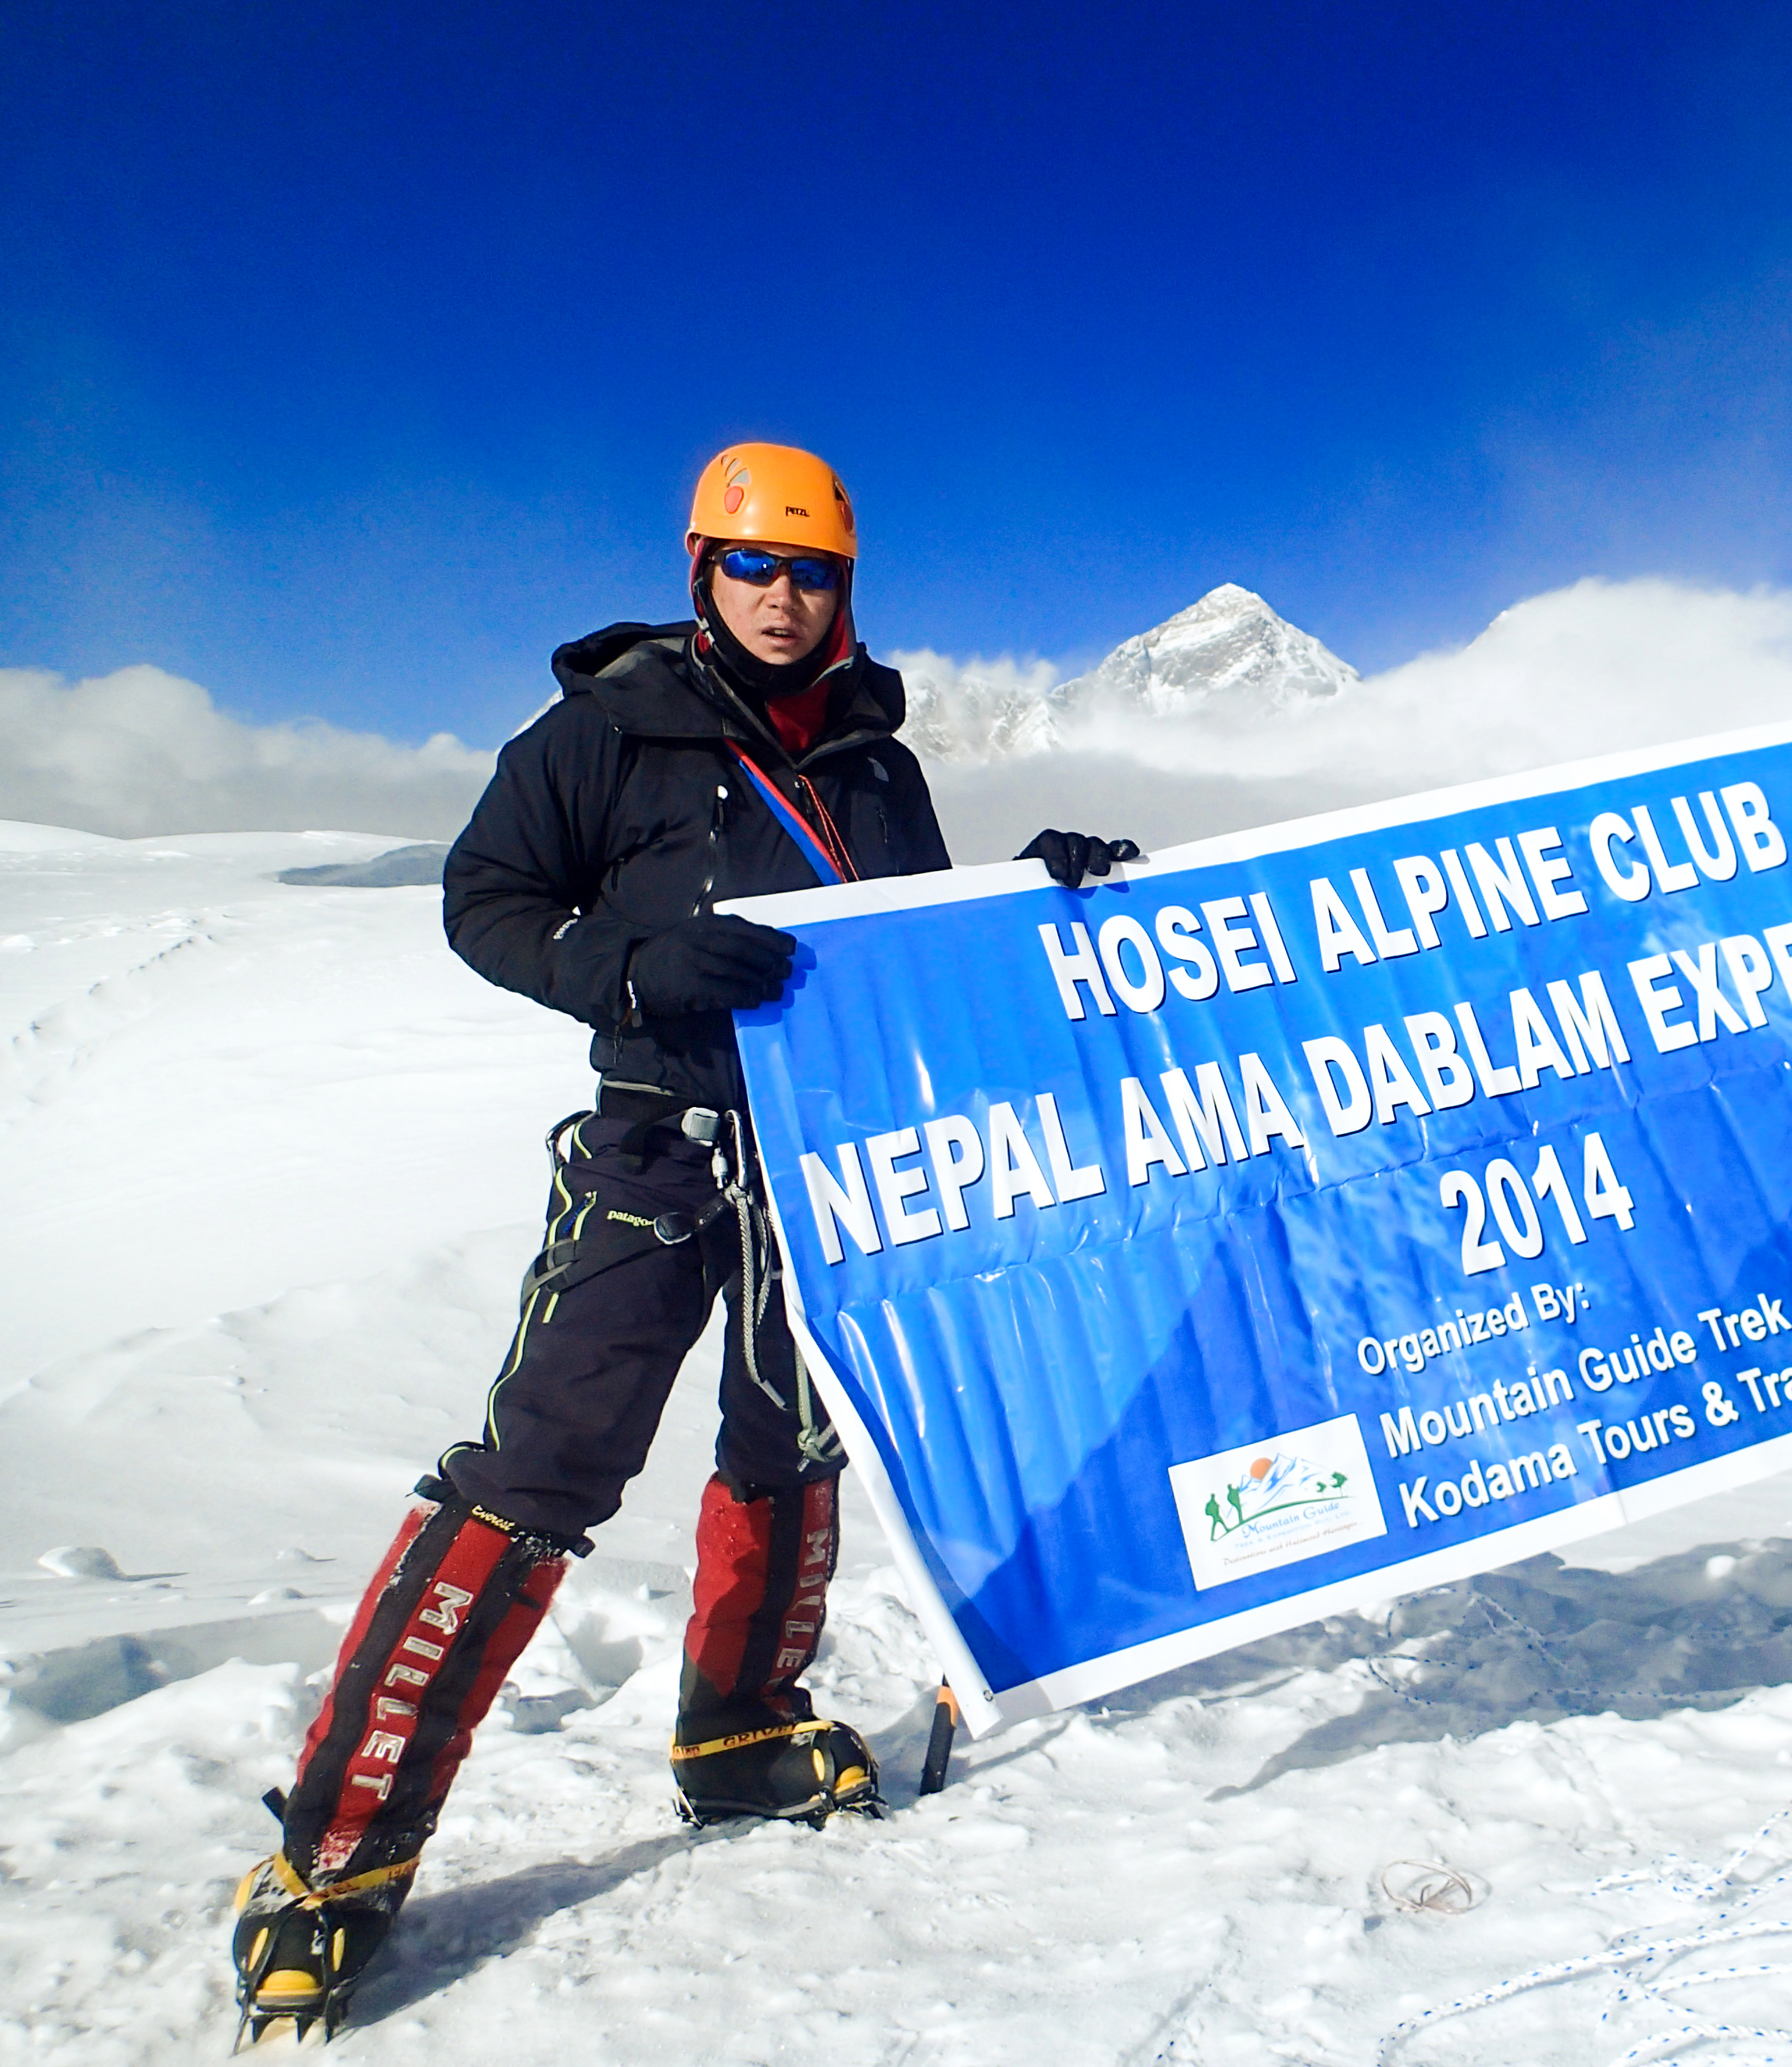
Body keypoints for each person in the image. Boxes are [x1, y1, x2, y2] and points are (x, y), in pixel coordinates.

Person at [228, 442, 1137, 2042]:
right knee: (541, 1468)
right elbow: (489, 898)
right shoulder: (601, 733)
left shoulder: (873, 758)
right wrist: (633, 969)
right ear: (700, 569)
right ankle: (335, 1858)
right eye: (755, 566)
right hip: (653, 1145)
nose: (784, 598)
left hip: (827, 1159)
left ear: (844, 589)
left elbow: (909, 948)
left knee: (790, 1439)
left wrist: (1036, 902)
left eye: (813, 574)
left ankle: (740, 1730)